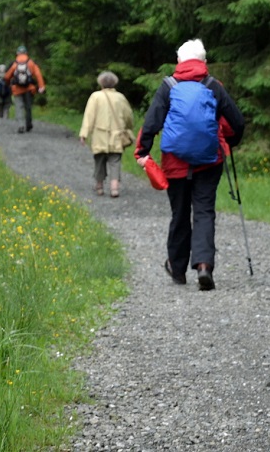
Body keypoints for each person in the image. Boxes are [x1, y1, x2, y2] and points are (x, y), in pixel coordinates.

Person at [135, 39, 245, 291]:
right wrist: (230, 142)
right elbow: (237, 121)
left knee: (180, 213)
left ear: (179, 61)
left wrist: (142, 151)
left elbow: (151, 122)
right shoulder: (213, 85)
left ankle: (177, 269)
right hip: (210, 161)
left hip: (175, 163)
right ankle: (204, 266)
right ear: (204, 61)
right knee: (204, 211)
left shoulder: (168, 86)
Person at [79, 71, 135, 198]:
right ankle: (114, 188)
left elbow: (89, 116)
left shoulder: (95, 97)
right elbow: (128, 116)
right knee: (115, 161)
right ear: (115, 83)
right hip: (117, 135)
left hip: (99, 136)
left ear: (101, 83)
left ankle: (99, 186)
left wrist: (84, 134)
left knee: (99, 160)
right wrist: (129, 127)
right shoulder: (120, 97)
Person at [4, 45, 45, 134]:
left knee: (19, 107)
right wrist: (41, 87)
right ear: (26, 53)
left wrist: (7, 83)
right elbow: (38, 74)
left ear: (17, 53)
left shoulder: (15, 64)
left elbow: (7, 76)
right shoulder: (30, 63)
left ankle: (21, 125)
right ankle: (28, 123)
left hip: (17, 89)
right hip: (29, 89)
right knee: (28, 107)